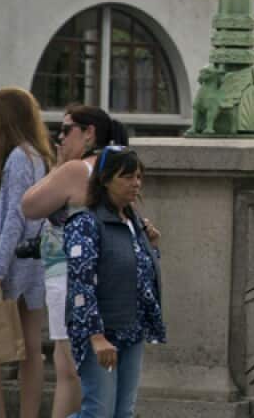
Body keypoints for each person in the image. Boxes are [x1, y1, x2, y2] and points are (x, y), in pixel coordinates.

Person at [22, 104, 132, 418]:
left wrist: (59, 165)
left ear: (89, 132)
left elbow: (29, 205)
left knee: (69, 369)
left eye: (66, 128)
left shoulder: (77, 170)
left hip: (69, 276)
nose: (59, 137)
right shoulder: (117, 169)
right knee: (96, 372)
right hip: (111, 279)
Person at [65, 147, 166, 418]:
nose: (136, 184)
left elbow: (138, 273)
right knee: (98, 412)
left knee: (123, 413)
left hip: (130, 330)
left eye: (139, 177)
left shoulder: (134, 223)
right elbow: (81, 283)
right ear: (106, 179)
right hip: (100, 332)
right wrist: (96, 337)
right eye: (127, 177)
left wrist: (152, 247)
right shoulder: (85, 223)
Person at [0, 87, 54, 418]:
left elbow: (14, 218)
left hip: (15, 266)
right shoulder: (39, 157)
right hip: (36, 262)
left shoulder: (19, 158)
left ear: (5, 118)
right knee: (31, 349)